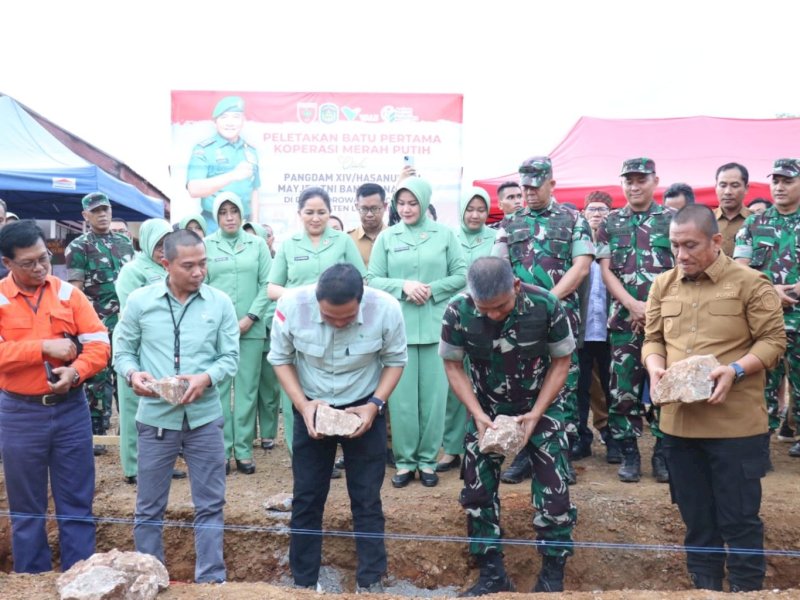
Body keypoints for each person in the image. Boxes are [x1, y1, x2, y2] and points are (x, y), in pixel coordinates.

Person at [643, 204, 786, 593]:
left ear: (717, 241)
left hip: (735, 428)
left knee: (739, 520)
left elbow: (774, 341)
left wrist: (736, 370)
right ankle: (705, 589)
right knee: (697, 520)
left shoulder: (751, 283)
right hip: (679, 428)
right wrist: (655, 368)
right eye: (675, 245)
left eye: (690, 245)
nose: (682, 255)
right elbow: (653, 339)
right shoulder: (663, 285)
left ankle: (746, 590)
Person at [440, 257, 576, 595]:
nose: (493, 316)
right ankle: (491, 574)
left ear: (515, 286)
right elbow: (454, 366)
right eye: (484, 310)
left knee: (555, 496)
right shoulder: (458, 311)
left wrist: (536, 413)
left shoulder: (546, 304)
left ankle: (552, 578)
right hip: (486, 411)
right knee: (476, 493)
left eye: (499, 307)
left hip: (541, 408)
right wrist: (476, 414)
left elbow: (561, 362)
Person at [268, 263, 406, 593]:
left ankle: (371, 580)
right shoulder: (291, 306)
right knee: (307, 496)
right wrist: (303, 406)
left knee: (367, 497)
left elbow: (395, 361)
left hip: (364, 408)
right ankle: (303, 582)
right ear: (317, 301)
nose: (339, 324)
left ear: (362, 300)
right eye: (330, 318)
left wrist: (374, 406)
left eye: (347, 318)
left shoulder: (386, 308)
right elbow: (280, 359)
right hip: (312, 406)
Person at [114, 229, 238, 583]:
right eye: (189, 266)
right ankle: (150, 577)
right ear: (165, 263)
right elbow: (122, 351)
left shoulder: (220, 303)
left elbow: (230, 357)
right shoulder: (140, 301)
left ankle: (211, 580)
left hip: (205, 420)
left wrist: (206, 378)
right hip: (155, 420)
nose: (199, 272)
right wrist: (133, 373)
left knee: (211, 504)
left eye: (203, 263)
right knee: (149, 508)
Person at [0, 220, 110, 573]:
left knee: (77, 502)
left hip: (70, 411)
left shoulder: (68, 294)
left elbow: (100, 344)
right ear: (7, 263)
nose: (40, 268)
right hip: (19, 412)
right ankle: (32, 578)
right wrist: (43, 347)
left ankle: (80, 578)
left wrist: (75, 371)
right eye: (29, 263)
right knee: (26, 506)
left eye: (44, 258)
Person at [492, 156, 593, 485]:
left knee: (563, 385)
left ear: (552, 184)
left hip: (560, 319)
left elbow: (581, 267)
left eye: (536, 186)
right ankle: (525, 455)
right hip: (519, 322)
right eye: (525, 187)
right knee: (523, 386)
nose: (529, 193)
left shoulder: (574, 219)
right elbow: (498, 267)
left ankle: (559, 456)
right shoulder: (510, 223)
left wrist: (547, 301)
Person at [368, 176, 466, 488]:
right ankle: (405, 461)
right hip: (400, 327)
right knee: (402, 400)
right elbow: (372, 278)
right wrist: (403, 286)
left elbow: (461, 274)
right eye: (401, 203)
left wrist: (432, 289)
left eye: (412, 203)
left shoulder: (445, 235)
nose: (407, 209)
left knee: (435, 399)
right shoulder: (387, 237)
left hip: (437, 327)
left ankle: (427, 461)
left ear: (424, 202)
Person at [268, 186, 366, 458]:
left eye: (321, 212)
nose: (315, 218)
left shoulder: (343, 242)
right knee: (298, 386)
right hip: (300, 325)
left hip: (338, 323)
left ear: (330, 213)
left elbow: (362, 279)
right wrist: (305, 297)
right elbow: (272, 289)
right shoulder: (289, 244)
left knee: (335, 383)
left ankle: (339, 446)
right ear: (299, 213)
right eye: (309, 212)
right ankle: (300, 449)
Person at [595, 158, 675, 483]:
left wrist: (651, 310)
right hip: (624, 322)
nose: (634, 186)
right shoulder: (610, 222)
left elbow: (681, 268)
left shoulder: (672, 220)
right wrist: (631, 304)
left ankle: (662, 453)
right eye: (628, 180)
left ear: (655, 181)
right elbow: (605, 269)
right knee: (622, 390)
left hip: (666, 323)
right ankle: (629, 453)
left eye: (641, 179)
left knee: (664, 387)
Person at [734, 158, 800, 451]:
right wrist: (770, 289)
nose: (780, 186)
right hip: (765, 318)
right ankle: (761, 439)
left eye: (787, 181)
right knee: (762, 383)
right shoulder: (755, 222)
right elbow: (741, 266)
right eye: (776, 181)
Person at [205, 192, 271, 475]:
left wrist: (250, 317)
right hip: (216, 332)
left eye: (234, 211)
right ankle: (221, 449)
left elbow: (267, 284)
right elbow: (202, 286)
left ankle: (243, 450)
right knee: (218, 391)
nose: (229, 217)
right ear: (217, 216)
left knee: (246, 391)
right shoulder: (206, 245)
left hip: (252, 329)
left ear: (242, 214)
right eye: (223, 212)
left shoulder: (257, 245)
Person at [114, 218, 184, 484]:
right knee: (135, 407)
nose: (163, 248)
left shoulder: (168, 269)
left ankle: (157, 465)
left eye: (168, 243)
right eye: (158, 243)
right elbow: (131, 312)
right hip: (135, 347)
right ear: (146, 242)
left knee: (159, 406)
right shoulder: (133, 270)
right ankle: (134, 467)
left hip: (161, 346)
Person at [65, 192, 134, 454]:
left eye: (105, 209)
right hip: (97, 324)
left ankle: (129, 430)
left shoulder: (125, 243)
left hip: (127, 323)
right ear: (85, 216)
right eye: (96, 211)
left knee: (126, 376)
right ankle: (97, 433)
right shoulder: (79, 247)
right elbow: (76, 290)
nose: (102, 214)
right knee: (97, 379)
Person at [438, 186, 496, 473]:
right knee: (454, 385)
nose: (475, 215)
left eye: (481, 209)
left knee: (484, 383)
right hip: (456, 318)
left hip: (489, 319)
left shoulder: (497, 238)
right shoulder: (449, 237)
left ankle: (483, 442)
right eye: (470, 209)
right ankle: (451, 449)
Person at [574, 191, 619, 462]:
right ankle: (581, 438)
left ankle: (614, 439)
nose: (597, 214)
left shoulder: (615, 242)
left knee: (611, 386)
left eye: (602, 209)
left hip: (609, 329)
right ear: (583, 213)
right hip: (581, 329)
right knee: (579, 388)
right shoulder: (577, 243)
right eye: (592, 209)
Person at [186, 96, 260, 229]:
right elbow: (194, 189)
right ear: (215, 122)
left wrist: (255, 224)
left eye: (236, 117)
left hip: (244, 224)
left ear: (244, 120)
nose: (230, 123)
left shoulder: (250, 151)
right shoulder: (204, 150)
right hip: (214, 224)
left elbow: (254, 189)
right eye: (224, 117)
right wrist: (233, 175)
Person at [242, 222, 280, 451]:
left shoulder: (276, 263)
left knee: (269, 387)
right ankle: (248, 434)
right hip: (251, 328)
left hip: (270, 331)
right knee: (247, 387)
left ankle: (268, 432)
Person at [714, 163, 751, 257]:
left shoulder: (758, 220)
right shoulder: (704, 220)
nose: (728, 192)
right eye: (722, 185)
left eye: (734, 186)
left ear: (746, 188)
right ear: (716, 187)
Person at [348, 183, 388, 268]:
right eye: (364, 209)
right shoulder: (348, 240)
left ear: (385, 206)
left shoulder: (394, 237)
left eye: (374, 209)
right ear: (357, 206)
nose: (369, 214)